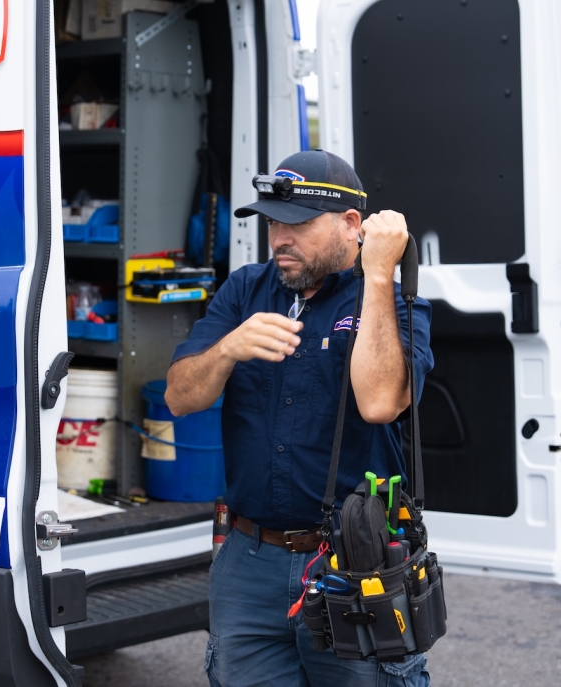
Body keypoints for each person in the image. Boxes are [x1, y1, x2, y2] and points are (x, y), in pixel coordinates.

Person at [165, 150, 434, 687]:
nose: (280, 239)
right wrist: (227, 349)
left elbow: (381, 402)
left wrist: (378, 275)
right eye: (272, 223)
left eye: (298, 224)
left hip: (355, 563)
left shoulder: (391, 301)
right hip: (249, 562)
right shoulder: (245, 289)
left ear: (351, 224)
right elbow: (179, 398)